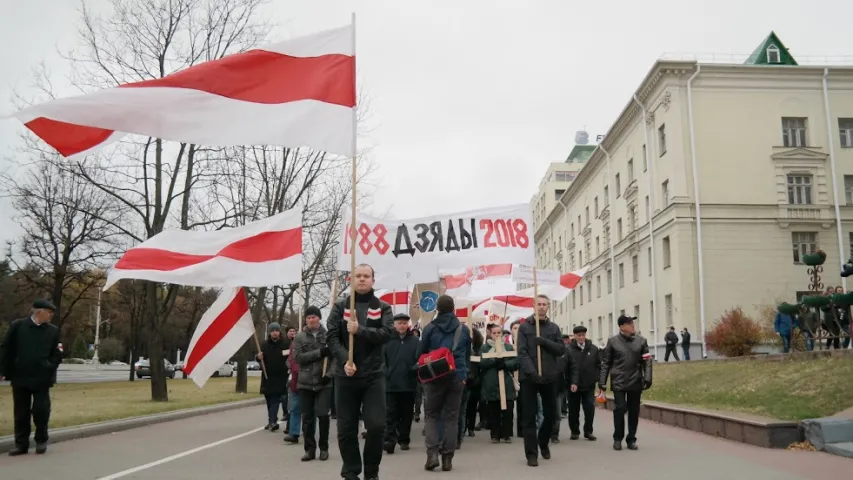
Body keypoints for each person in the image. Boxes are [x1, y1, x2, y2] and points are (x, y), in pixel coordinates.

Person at [326, 264, 394, 480]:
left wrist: (360, 330)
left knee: (376, 425)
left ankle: (371, 472)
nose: (362, 279)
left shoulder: (383, 308)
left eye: (366, 276)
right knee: (346, 428)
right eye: (358, 276)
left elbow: (385, 334)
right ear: (351, 279)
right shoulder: (339, 307)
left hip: (373, 374)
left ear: (373, 280)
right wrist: (346, 358)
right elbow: (332, 337)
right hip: (346, 375)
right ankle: (351, 470)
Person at [0, 299, 62, 456]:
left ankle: (41, 440)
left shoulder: (53, 331)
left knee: (41, 411)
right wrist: (3, 370)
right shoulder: (18, 326)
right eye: (49, 313)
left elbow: (57, 353)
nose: (51, 316)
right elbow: (6, 349)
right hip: (20, 376)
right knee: (21, 412)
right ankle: (21, 444)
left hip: (42, 378)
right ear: (39, 312)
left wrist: (50, 366)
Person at [418, 294, 470, 472]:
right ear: (453, 308)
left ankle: (432, 455)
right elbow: (467, 355)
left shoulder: (430, 328)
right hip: (456, 376)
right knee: (452, 417)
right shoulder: (463, 330)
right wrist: (464, 375)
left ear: (437, 309)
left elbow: (421, 352)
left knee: (432, 416)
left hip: (434, 377)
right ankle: (448, 458)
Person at [516, 295, 566, 467]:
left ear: (548, 307)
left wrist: (544, 342)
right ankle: (531, 454)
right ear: (533, 306)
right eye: (539, 304)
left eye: (545, 304)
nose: (542, 307)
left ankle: (543, 442)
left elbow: (561, 350)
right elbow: (521, 353)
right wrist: (532, 372)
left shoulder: (554, 328)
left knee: (552, 414)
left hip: (550, 376)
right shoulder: (524, 328)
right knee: (529, 417)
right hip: (529, 378)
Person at [599, 315, 653, 451]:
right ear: (622, 327)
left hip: (635, 380)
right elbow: (606, 363)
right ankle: (617, 438)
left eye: (633, 322)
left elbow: (647, 360)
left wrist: (647, 377)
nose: (633, 325)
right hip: (618, 381)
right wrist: (602, 382)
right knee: (620, 408)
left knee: (634, 411)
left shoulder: (641, 341)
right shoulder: (613, 342)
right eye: (629, 323)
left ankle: (631, 439)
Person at [292, 306, 334, 462]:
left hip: (324, 382)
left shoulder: (329, 336)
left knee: (323, 416)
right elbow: (298, 358)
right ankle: (310, 449)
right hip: (306, 382)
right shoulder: (300, 337)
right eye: (308, 317)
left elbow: (335, 359)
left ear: (319, 318)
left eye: (313, 317)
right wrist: (319, 353)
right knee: (308, 418)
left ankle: (324, 448)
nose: (311, 320)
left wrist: (329, 375)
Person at [383, 313, 419, 454]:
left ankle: (404, 439)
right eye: (400, 323)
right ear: (394, 325)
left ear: (408, 325)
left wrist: (415, 368)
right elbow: (382, 359)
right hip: (391, 384)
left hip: (409, 384)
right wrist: (386, 372)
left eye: (405, 323)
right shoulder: (387, 341)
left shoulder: (415, 341)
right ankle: (389, 440)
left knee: (406, 414)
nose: (402, 326)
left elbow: (420, 358)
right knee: (390, 414)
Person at [480, 323, 518, 443]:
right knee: (493, 411)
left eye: (499, 333)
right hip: (491, 383)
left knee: (508, 410)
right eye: (494, 333)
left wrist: (505, 364)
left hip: (506, 383)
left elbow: (516, 363)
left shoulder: (508, 347)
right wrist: (493, 361)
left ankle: (507, 434)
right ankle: (495, 434)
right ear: (490, 334)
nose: (497, 335)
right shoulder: (485, 348)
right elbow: (481, 362)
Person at [565, 325, 598, 441]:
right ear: (574, 336)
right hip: (573, 385)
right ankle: (574, 431)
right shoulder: (568, 349)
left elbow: (598, 365)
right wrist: (568, 381)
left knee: (589, 409)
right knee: (574, 410)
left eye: (583, 335)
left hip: (589, 385)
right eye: (578, 335)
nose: (581, 337)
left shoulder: (593, 349)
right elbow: (565, 367)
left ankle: (588, 431)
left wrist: (596, 377)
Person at [257, 322, 289, 432]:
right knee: (269, 399)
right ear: (270, 332)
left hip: (281, 376)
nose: (275, 332)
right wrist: (258, 357)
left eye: (276, 330)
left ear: (279, 332)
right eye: (272, 331)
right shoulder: (264, 344)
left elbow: (290, 357)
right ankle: (271, 420)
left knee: (275, 399)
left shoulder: (285, 344)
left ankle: (273, 421)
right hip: (267, 376)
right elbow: (259, 357)